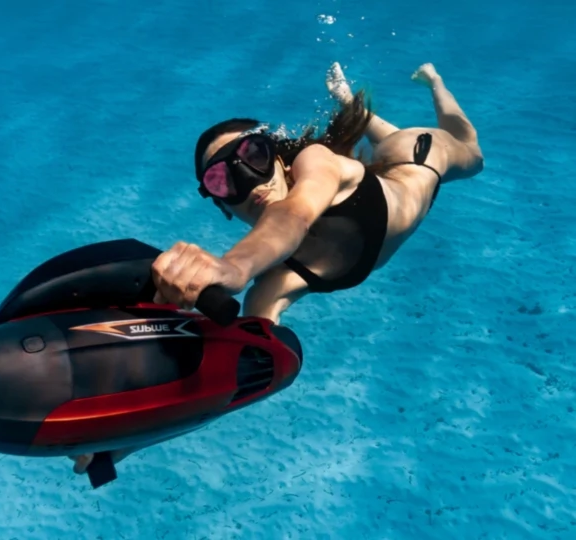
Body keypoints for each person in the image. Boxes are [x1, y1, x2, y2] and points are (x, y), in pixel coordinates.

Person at [69, 61, 485, 476]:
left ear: (282, 159)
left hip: (420, 157)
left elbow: (295, 215)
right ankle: (352, 105)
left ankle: (433, 80)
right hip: (388, 175)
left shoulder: (318, 162)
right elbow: (235, 378)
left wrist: (233, 267)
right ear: (223, 208)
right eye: (223, 181)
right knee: (383, 141)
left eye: (253, 156)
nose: (249, 182)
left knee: (469, 148)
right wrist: (124, 444)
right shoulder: (273, 288)